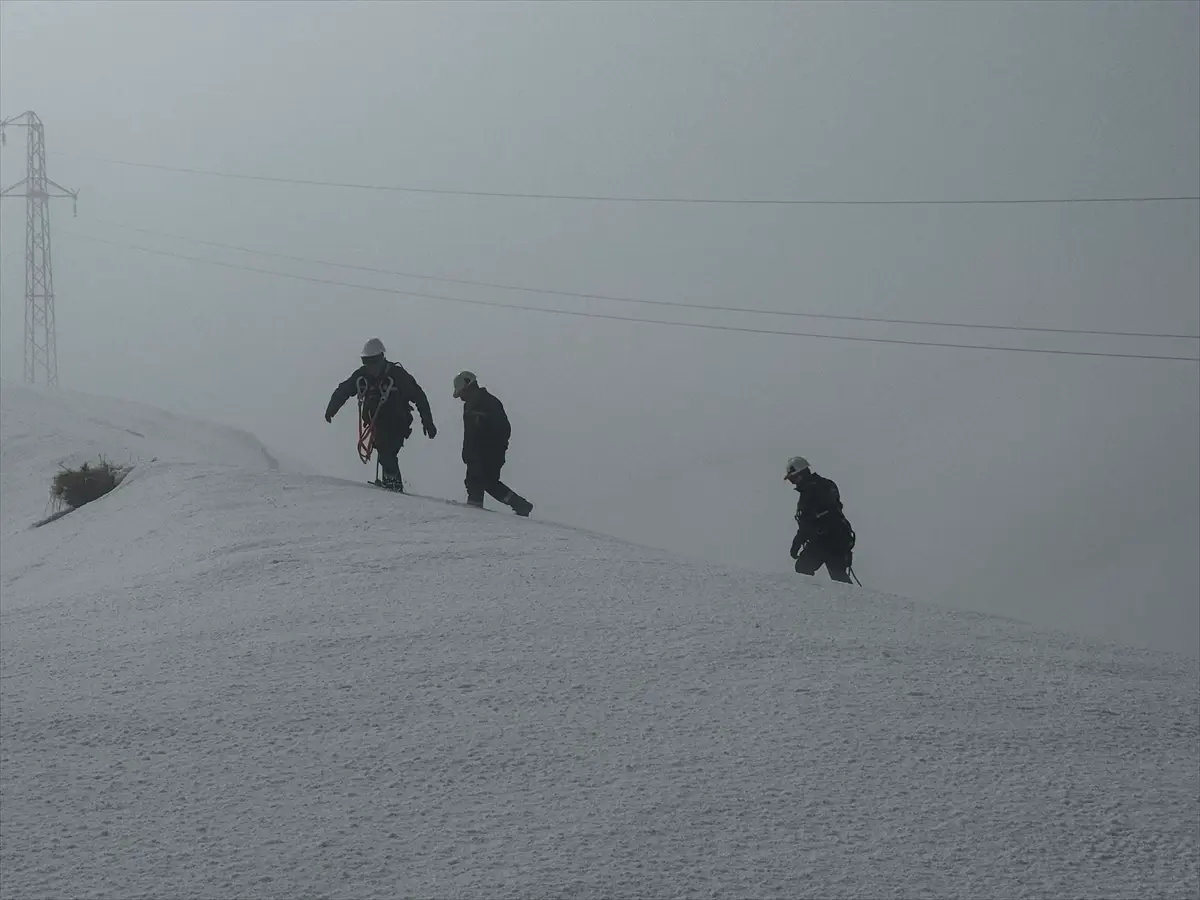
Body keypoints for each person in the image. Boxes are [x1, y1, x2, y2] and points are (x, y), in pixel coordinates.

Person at [325, 338, 436, 491]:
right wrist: (332, 408)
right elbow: (344, 390)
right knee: (384, 451)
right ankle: (390, 483)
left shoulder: (397, 375)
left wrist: (427, 422)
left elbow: (418, 396)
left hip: (397, 423)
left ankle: (394, 485)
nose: (371, 367)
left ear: (382, 358)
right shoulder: (362, 376)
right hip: (377, 424)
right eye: (366, 362)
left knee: (387, 451)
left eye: (373, 361)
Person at [452, 370, 533, 516]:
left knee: (479, 481)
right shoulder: (470, 405)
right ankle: (520, 505)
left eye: (461, 393)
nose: (460, 398)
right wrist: (467, 452)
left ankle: (475, 514)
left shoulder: (489, 403)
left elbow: (504, 429)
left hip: (488, 454)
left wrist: (494, 449)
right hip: (476, 454)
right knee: (486, 482)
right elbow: (469, 433)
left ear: (468, 386)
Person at [785, 456, 855, 584]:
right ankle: (855, 602)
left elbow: (807, 522)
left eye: (793, 479)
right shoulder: (827, 484)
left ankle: (812, 600)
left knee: (803, 567)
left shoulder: (810, 491)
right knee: (838, 575)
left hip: (824, 540)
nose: (794, 483)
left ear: (800, 475)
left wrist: (797, 543)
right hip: (840, 537)